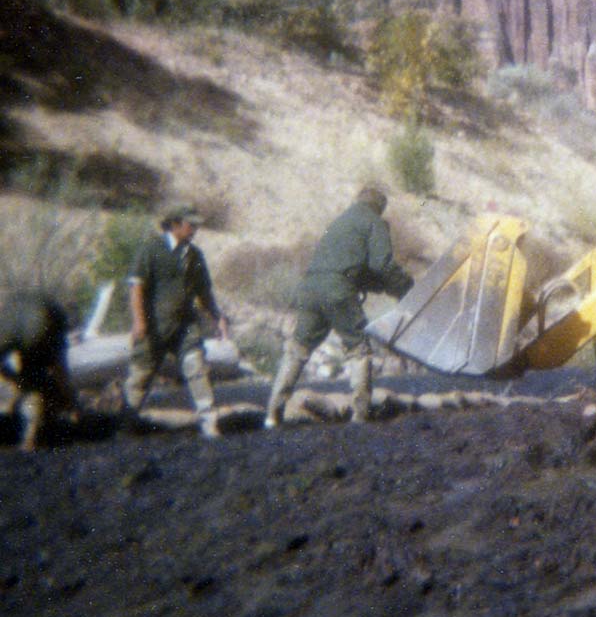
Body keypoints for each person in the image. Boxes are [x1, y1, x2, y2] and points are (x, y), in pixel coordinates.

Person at [265, 184, 414, 428]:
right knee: (358, 349)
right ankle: (360, 415)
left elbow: (345, 265)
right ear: (380, 207)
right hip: (337, 290)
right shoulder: (374, 222)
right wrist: (406, 289)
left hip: (309, 288)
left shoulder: (339, 222)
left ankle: (272, 414)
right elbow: (382, 266)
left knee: (297, 349)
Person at [122, 205, 229, 439]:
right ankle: (125, 426)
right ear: (175, 224)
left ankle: (209, 423)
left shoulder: (194, 255)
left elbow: (204, 292)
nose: (195, 229)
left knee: (196, 367)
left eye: (196, 225)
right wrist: (139, 322)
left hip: (184, 325)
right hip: (154, 325)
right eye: (191, 225)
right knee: (141, 375)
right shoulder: (151, 250)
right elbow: (136, 287)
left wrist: (217, 317)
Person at [0, 290, 76, 452]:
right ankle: (34, 433)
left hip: (32, 327)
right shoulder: (24, 310)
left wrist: (14, 379)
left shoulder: (9, 315)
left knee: (34, 381)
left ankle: (31, 434)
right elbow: (59, 367)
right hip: (44, 324)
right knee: (40, 379)